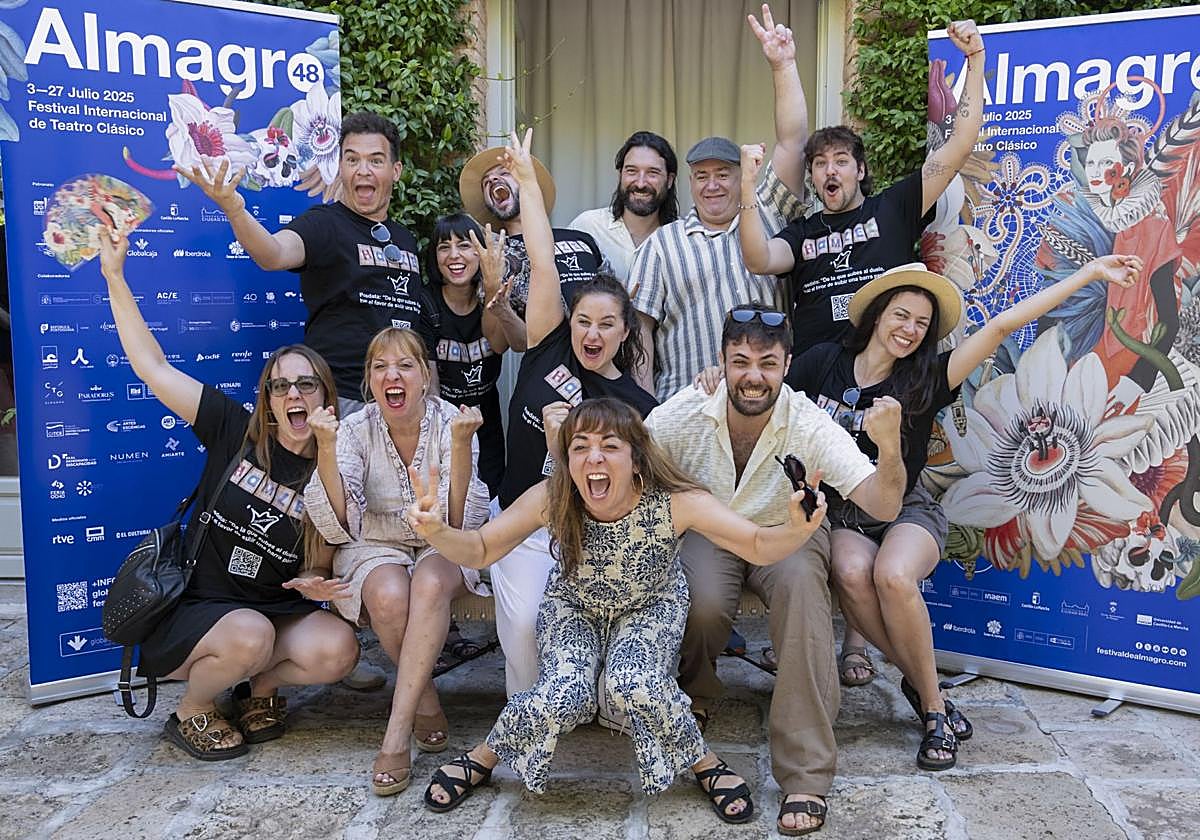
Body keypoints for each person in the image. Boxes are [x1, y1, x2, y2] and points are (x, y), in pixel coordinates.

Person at [789, 255, 1142, 776]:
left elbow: (1001, 327)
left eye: (921, 323)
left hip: (906, 507)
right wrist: (714, 378)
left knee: (893, 575)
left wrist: (1089, 275)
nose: (909, 329)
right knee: (850, 572)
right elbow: (770, 398)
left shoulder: (927, 375)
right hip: (845, 516)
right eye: (901, 315)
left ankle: (932, 709)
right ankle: (927, 686)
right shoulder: (823, 361)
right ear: (878, 314)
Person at [408, 397, 829, 821]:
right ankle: (484, 756)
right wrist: (437, 532)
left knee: (633, 684)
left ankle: (704, 763)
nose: (594, 457)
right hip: (575, 607)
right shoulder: (553, 496)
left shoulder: (677, 502)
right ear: (567, 460)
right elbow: (481, 548)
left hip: (650, 607)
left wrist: (797, 529)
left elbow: (756, 544)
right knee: (562, 694)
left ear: (636, 458)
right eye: (580, 446)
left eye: (610, 445)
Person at [97, 229, 359, 761]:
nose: (293, 394)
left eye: (307, 384)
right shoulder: (233, 429)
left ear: (325, 396)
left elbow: (325, 550)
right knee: (250, 635)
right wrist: (114, 276)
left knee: (339, 650)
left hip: (276, 610)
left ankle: (258, 691)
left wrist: (316, 581)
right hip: (202, 610)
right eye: (281, 386)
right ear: (268, 399)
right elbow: (153, 368)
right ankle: (192, 709)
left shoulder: (338, 461)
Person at [648, 302, 905, 836]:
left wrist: (889, 446)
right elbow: (634, 465)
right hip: (715, 530)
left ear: (787, 365)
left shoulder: (809, 422)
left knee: (804, 600)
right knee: (701, 601)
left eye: (767, 363)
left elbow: (883, 505)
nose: (753, 376)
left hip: (790, 531)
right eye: (740, 362)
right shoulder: (684, 412)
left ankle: (805, 770)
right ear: (722, 361)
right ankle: (696, 694)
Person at [482, 129, 657, 699]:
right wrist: (527, 181)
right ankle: (528, 722)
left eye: (607, 325)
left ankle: (584, 706)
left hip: (588, 535)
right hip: (522, 523)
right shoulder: (547, 343)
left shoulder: (636, 407)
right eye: (584, 321)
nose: (592, 334)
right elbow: (542, 260)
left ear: (625, 332)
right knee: (526, 626)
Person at [302, 327, 491, 795]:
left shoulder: (451, 421)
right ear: (369, 379)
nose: (393, 375)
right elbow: (338, 522)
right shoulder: (353, 428)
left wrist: (462, 447)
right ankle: (425, 701)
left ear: (425, 376)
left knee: (428, 584)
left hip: (441, 539)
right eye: (381, 366)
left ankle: (395, 733)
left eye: (406, 365)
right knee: (388, 597)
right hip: (376, 541)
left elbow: (462, 520)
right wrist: (325, 448)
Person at [741, 20, 985, 377]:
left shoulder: (894, 207)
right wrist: (747, 186)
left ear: (860, 170)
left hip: (888, 376)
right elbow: (759, 259)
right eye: (820, 163)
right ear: (812, 176)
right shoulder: (803, 231)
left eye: (841, 161)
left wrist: (975, 58)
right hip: (816, 379)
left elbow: (960, 145)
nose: (830, 170)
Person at [177, 111, 437, 415]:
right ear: (340, 167)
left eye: (375, 161)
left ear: (396, 170)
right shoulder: (323, 224)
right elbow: (273, 253)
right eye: (352, 159)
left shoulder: (405, 239)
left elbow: (416, 325)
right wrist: (234, 209)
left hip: (401, 400)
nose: (363, 170)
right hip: (343, 400)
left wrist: (429, 397)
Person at [630, 5, 808, 400]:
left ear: (741, 174)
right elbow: (640, 331)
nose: (712, 185)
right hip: (687, 406)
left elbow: (793, 141)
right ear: (689, 182)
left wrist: (782, 66)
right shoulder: (661, 245)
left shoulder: (770, 212)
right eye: (702, 176)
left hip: (767, 404)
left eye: (723, 174)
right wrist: (646, 407)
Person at [459, 138, 605, 350]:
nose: (493, 180)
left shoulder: (581, 238)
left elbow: (615, 297)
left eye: (505, 173)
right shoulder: (496, 257)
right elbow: (500, 344)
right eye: (486, 182)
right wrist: (493, 290)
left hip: (601, 358)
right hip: (549, 364)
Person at [424, 213, 520, 496]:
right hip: (443, 422)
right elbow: (430, 385)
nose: (454, 255)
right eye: (444, 247)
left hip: (486, 420)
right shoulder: (426, 302)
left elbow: (501, 345)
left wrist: (492, 288)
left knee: (489, 499)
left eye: (465, 245)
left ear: (481, 253)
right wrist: (444, 436)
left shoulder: (495, 294)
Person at [568, 131, 679, 284]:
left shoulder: (682, 240)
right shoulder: (587, 228)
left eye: (652, 173)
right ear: (620, 175)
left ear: (670, 180)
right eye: (631, 171)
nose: (640, 183)